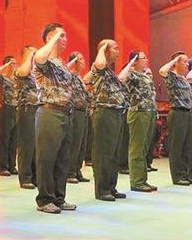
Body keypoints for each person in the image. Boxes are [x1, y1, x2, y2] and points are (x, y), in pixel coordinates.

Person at [33, 23, 76, 214]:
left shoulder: (61, 63)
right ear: (50, 37)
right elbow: (39, 57)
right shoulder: (44, 59)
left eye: (65, 35)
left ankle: (59, 198)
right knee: (47, 158)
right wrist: (54, 37)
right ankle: (44, 199)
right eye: (61, 35)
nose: (64, 39)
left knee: (62, 159)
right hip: (49, 112)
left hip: (66, 113)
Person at [87, 39, 129, 202]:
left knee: (114, 153)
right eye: (115, 48)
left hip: (116, 113)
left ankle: (111, 187)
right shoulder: (98, 67)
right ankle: (102, 189)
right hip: (105, 113)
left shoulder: (110, 72)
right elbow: (99, 63)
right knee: (104, 153)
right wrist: (102, 47)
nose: (118, 52)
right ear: (105, 51)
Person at [119, 50, 158, 193]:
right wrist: (130, 63)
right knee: (137, 147)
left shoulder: (145, 75)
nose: (146, 60)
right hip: (138, 112)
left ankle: (142, 179)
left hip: (149, 112)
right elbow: (121, 78)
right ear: (135, 60)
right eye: (143, 58)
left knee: (144, 148)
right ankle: (136, 181)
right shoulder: (131, 74)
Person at [159, 51, 192, 186]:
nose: (187, 64)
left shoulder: (183, 79)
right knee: (177, 146)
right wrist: (174, 60)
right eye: (184, 61)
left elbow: (191, 77)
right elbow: (162, 71)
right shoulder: (172, 76)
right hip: (178, 113)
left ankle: (185, 174)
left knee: (186, 146)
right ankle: (177, 176)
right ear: (176, 63)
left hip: (188, 113)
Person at [14, 46, 39, 189]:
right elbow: (24, 71)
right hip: (26, 109)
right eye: (32, 54)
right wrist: (30, 56)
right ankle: (25, 177)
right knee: (26, 144)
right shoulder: (20, 70)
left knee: (36, 145)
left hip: (38, 110)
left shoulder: (35, 73)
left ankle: (35, 176)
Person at [66, 51, 91, 184]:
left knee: (82, 144)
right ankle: (70, 172)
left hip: (83, 112)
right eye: (80, 59)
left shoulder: (79, 77)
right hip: (75, 111)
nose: (83, 62)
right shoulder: (69, 75)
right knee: (74, 144)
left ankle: (77, 170)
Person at [0, 55, 18, 176]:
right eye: (11, 64)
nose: (14, 66)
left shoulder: (18, 79)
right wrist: (5, 66)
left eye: (15, 63)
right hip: (6, 110)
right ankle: (3, 167)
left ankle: (12, 165)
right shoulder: (3, 78)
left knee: (14, 139)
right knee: (4, 140)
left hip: (16, 110)